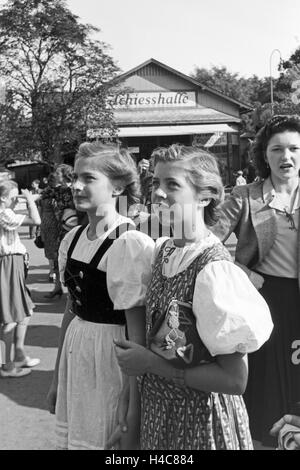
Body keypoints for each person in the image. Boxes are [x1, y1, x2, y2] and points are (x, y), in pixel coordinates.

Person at [110, 144, 273, 450]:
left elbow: (234, 381)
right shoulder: (162, 251)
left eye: (172, 184)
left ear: (205, 196)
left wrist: (151, 364)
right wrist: (130, 404)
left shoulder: (214, 271)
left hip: (200, 422)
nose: (158, 193)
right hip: (160, 416)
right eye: (155, 183)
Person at [46, 142, 154, 450]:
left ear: (117, 187)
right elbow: (71, 311)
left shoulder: (129, 242)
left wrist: (131, 397)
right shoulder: (73, 238)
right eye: (75, 177)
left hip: (111, 358)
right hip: (77, 353)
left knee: (108, 441)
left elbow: (138, 330)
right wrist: (57, 378)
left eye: (89, 178)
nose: (76, 186)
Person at [212, 114, 300, 447]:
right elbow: (204, 241)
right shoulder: (246, 195)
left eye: (294, 148)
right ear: (265, 155)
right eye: (277, 149)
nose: (286, 156)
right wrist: (241, 270)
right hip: (263, 301)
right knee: (266, 382)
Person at [0, 180, 41, 378]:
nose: (17, 201)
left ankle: (19, 354)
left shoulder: (6, 211)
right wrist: (30, 201)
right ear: (3, 198)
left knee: (24, 312)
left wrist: (18, 201)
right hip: (8, 264)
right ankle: (6, 365)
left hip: (13, 263)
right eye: (13, 197)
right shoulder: (3, 213)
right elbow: (36, 220)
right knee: (10, 317)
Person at [39, 173, 62, 291]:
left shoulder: (47, 193)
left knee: (52, 250)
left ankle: (52, 272)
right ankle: (53, 272)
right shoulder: (54, 193)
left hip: (49, 223)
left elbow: (40, 210)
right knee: (52, 250)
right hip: (53, 224)